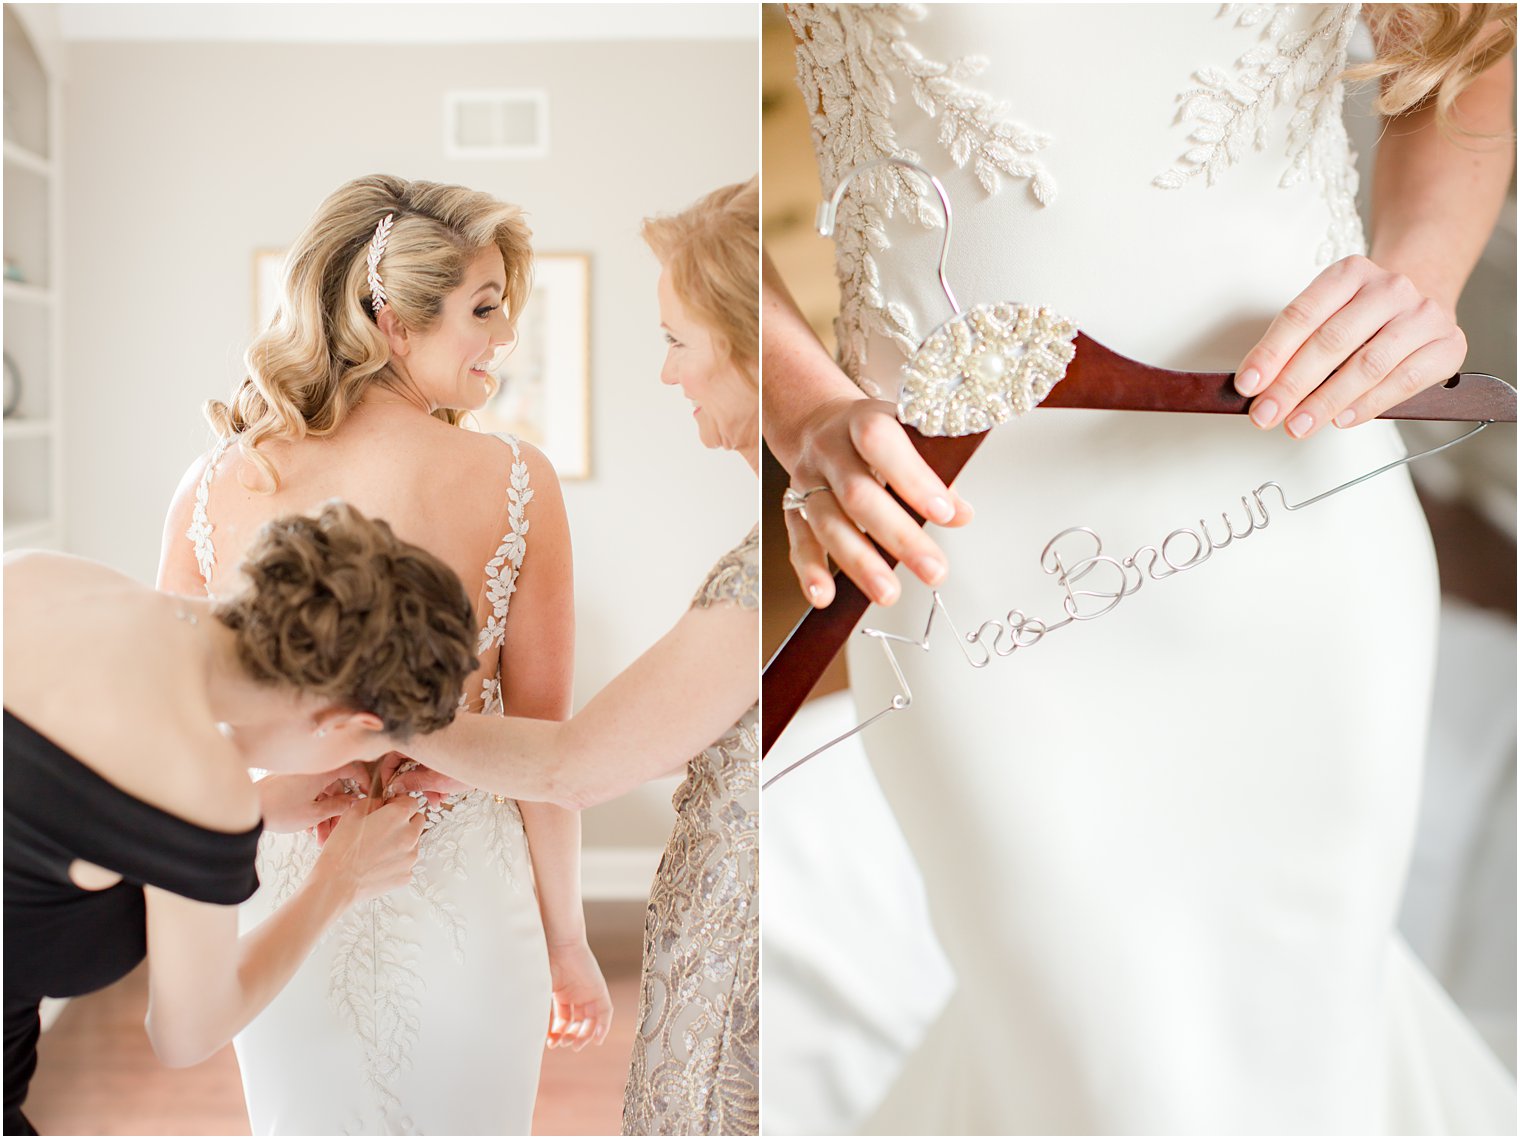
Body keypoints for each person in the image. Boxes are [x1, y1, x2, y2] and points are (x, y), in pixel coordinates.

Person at [762, 5, 1514, 1135]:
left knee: (1295, 1046)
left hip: (1306, 534)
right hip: (962, 555)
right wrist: (798, 402)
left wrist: (1416, 279)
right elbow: (677, 168)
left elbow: (1470, 53)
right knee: (1101, 1068)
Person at [157, 175, 610, 1135]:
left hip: (283, 887)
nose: (505, 336)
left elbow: (171, 739)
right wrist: (568, 941)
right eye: (483, 310)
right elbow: (545, 751)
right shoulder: (515, 480)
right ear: (388, 317)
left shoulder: (213, 486)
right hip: (467, 895)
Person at [390, 177, 761, 1135]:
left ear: (758, 352)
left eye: (678, 341)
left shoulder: (774, 565)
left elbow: (570, 763)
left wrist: (385, 717)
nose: (669, 375)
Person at [4, 502, 471, 1136]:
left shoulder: (45, 578)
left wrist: (246, 817)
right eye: (364, 750)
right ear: (348, 723)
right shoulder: (196, 784)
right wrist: (340, 877)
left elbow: (46, 814)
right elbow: (185, 1034)